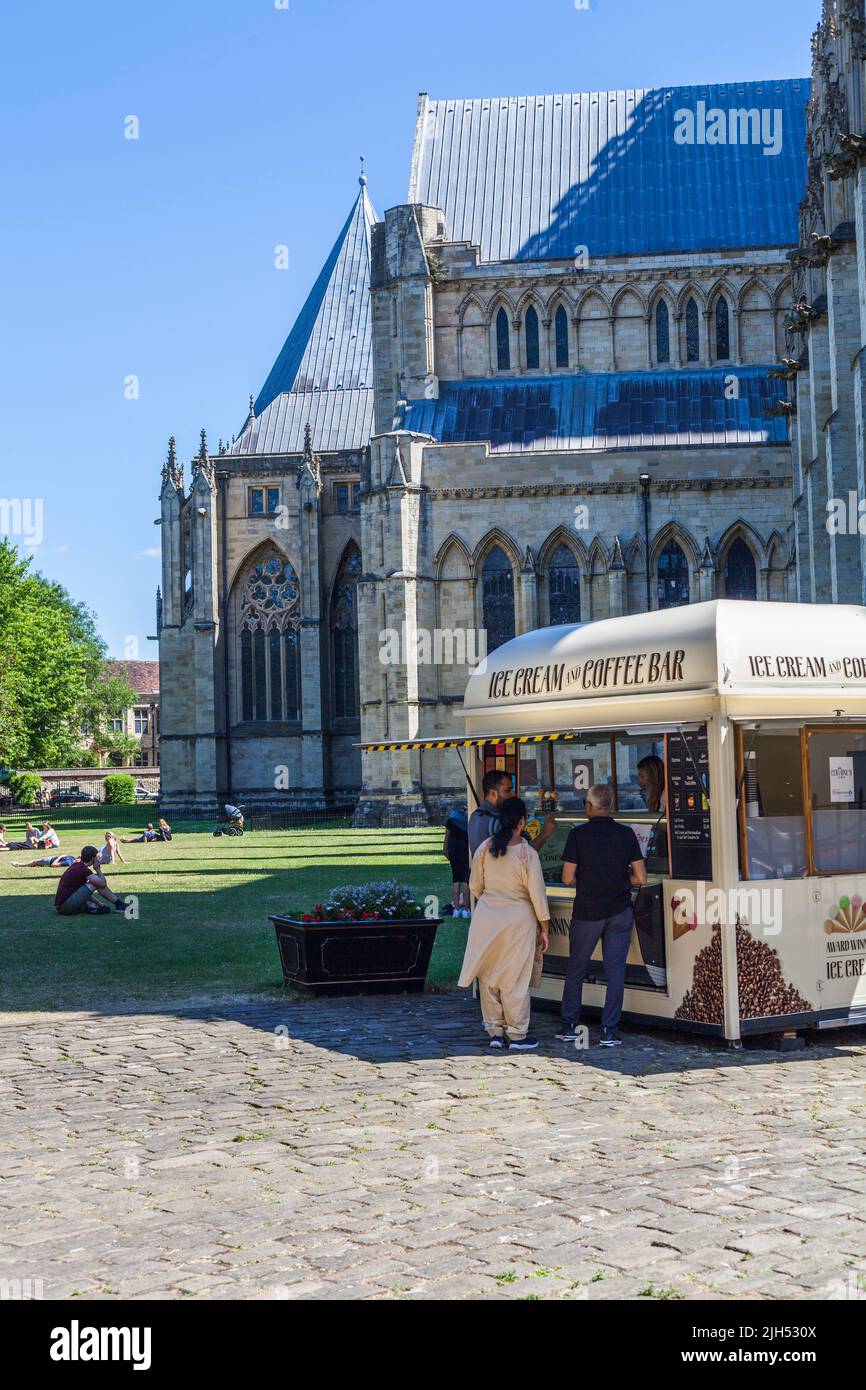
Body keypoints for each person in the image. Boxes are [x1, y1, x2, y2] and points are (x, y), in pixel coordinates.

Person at [557, 784, 647, 1048]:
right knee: (615, 971)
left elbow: (567, 877)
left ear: (588, 806)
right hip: (619, 910)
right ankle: (609, 1030)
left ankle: (570, 1025)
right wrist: (619, 878)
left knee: (576, 969)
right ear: (610, 806)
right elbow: (640, 877)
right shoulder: (626, 833)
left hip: (587, 911)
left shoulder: (579, 835)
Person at [459, 797, 551, 1051]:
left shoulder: (485, 849)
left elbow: (475, 886)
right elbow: (537, 895)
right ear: (522, 822)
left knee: (489, 976)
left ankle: (495, 1031)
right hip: (518, 921)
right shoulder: (527, 854)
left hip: (487, 918)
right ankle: (518, 1033)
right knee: (515, 977)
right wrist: (544, 927)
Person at [468, 771, 556, 858]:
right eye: (508, 790)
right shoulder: (497, 821)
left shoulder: (475, 816)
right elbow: (524, 856)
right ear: (493, 793)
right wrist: (545, 833)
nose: (513, 794)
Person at [54, 847, 129, 917]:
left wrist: (99, 904)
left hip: (62, 905)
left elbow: (85, 892)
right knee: (94, 883)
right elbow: (102, 884)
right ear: (93, 859)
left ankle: (117, 905)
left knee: (96, 902)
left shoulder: (77, 865)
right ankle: (120, 905)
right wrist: (98, 869)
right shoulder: (83, 870)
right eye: (96, 857)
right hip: (65, 907)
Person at [442, 805, 470, 917]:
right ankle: (466, 910)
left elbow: (445, 846)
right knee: (465, 881)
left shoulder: (450, 824)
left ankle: (456, 909)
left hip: (453, 851)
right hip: (464, 850)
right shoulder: (466, 825)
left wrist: (449, 857)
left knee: (455, 880)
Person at [13, 852, 77, 869]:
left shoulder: (68, 863)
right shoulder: (73, 858)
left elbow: (53, 865)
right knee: (35, 863)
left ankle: (19, 864)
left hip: (49, 861)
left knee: (34, 862)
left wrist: (60, 856)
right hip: (52, 857)